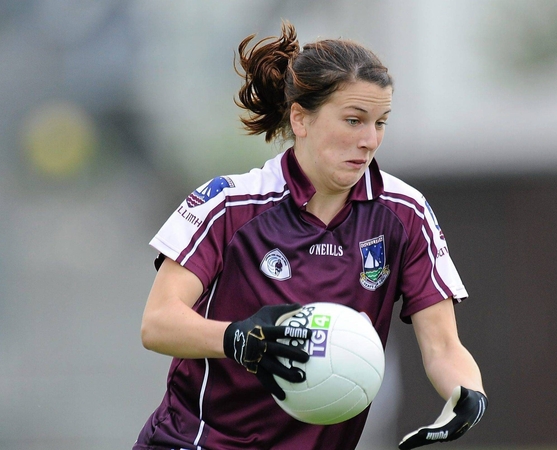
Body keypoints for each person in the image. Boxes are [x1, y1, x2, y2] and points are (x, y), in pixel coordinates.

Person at [134, 21, 486, 450]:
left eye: (380, 122)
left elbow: (444, 347)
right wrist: (236, 337)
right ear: (300, 118)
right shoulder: (228, 205)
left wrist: (468, 394)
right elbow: (158, 323)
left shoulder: (405, 213)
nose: (369, 140)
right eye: (354, 120)